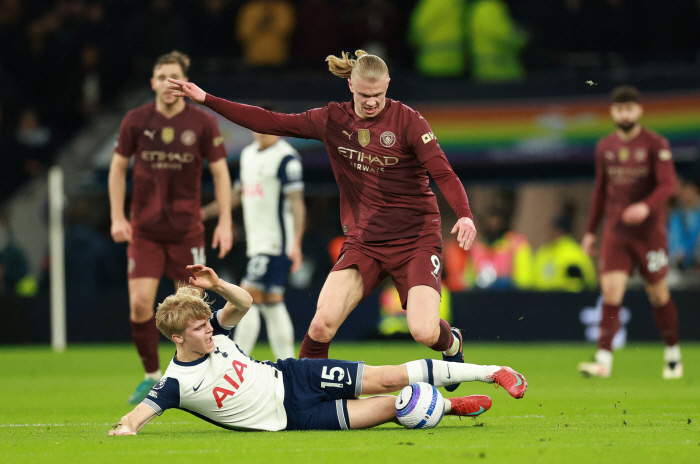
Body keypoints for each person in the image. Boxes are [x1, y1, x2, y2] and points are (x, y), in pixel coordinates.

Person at [167, 50, 477, 394]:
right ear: (350, 85)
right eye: (363, 95)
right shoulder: (332, 119)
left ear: (388, 85)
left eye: (378, 95)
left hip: (416, 239)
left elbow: (442, 172)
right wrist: (206, 99)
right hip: (365, 242)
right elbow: (270, 121)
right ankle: (303, 396)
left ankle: (452, 344)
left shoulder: (409, 122)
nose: (371, 102)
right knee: (321, 324)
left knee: (424, 332)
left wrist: (463, 213)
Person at [108, 264, 527, 435]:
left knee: (388, 376)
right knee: (395, 407)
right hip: (297, 417)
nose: (208, 331)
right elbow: (137, 416)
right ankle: (455, 407)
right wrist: (126, 429)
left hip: (295, 375)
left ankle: (494, 371)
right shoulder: (176, 383)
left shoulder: (217, 334)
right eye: (198, 329)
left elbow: (245, 303)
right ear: (177, 338)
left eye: (206, 323)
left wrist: (216, 286)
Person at [109, 51, 233, 404]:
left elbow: (221, 173)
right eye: (162, 76)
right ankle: (150, 376)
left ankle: (199, 378)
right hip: (145, 231)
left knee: (193, 310)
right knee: (139, 305)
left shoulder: (203, 123)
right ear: (153, 82)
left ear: (185, 81)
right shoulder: (135, 120)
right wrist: (118, 217)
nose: (168, 83)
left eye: (174, 77)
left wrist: (224, 220)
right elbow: (118, 168)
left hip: (186, 231)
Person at [578, 85, 682, 379]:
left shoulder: (655, 144)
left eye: (629, 108)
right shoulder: (605, 147)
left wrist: (646, 207)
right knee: (611, 293)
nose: (625, 113)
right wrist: (590, 232)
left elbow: (667, 185)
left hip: (649, 234)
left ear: (639, 110)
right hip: (617, 232)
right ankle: (603, 360)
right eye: (619, 108)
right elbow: (600, 191)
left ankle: (673, 354)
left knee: (658, 294)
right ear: (613, 112)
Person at [201, 120, 305, 360]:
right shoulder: (248, 155)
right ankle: (288, 364)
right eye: (257, 126)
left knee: (244, 299)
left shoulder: (286, 158)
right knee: (272, 303)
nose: (261, 131)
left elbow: (297, 204)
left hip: (275, 244)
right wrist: (204, 214)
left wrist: (296, 243)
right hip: (257, 243)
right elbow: (237, 194)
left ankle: (236, 363)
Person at [531, 213, 597, 292]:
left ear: (560, 231)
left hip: (565, 298)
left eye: (553, 229)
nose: (550, 232)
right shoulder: (544, 251)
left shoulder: (575, 252)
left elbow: (590, 281)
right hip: (541, 298)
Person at [667, 175, 700, 270]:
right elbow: (674, 237)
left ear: (694, 190)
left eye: (687, 190)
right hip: (682, 263)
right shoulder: (677, 213)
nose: (684, 194)